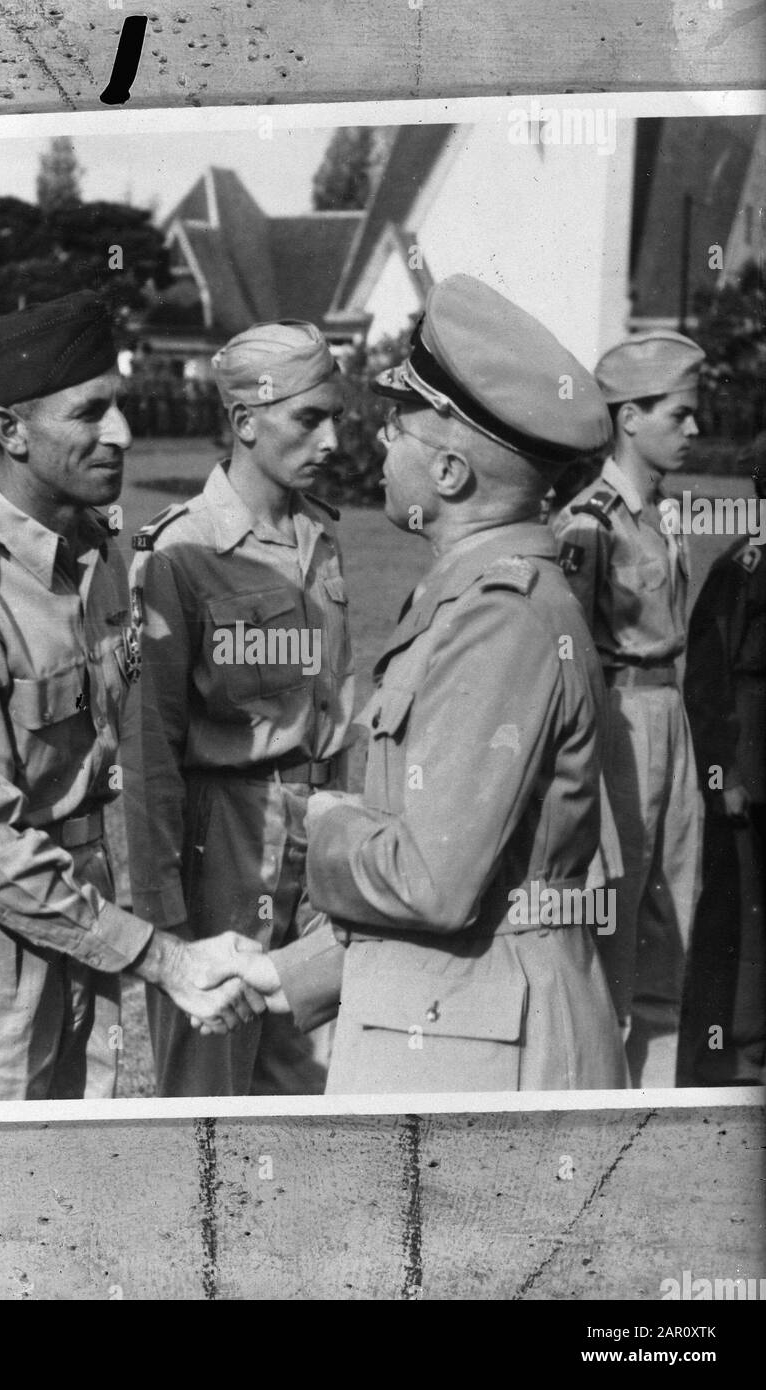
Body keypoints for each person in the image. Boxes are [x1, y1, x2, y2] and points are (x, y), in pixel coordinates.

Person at [207, 276, 627, 1095]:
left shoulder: (499, 620)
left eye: (399, 426)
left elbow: (434, 884)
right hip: (456, 1022)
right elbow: (475, 878)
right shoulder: (476, 599)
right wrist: (288, 977)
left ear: (447, 473)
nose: (379, 441)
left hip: (481, 1048)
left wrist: (321, 822)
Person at [0, 291, 263, 1104]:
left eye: (116, 408)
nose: (119, 434)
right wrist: (168, 959)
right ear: (10, 431)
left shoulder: (96, 553)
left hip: (73, 915)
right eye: (89, 415)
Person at [123, 320, 356, 1096]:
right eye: (308, 418)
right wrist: (165, 915)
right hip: (222, 841)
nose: (329, 438)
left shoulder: (320, 537)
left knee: (311, 1085)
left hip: (317, 832)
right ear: (245, 422)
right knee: (208, 1088)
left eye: (335, 417)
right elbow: (149, 745)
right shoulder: (179, 554)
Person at [551, 330, 705, 1088]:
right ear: (629, 416)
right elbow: (569, 654)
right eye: (678, 415)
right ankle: (604, 1099)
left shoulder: (663, 514)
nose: (693, 429)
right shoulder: (591, 521)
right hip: (618, 718)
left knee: (674, 913)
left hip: (669, 719)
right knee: (613, 914)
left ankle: (657, 1098)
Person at [678, 435, 766, 1086]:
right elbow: (707, 679)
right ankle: (733, 1050)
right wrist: (724, 774)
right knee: (739, 913)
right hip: (747, 772)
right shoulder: (743, 566)